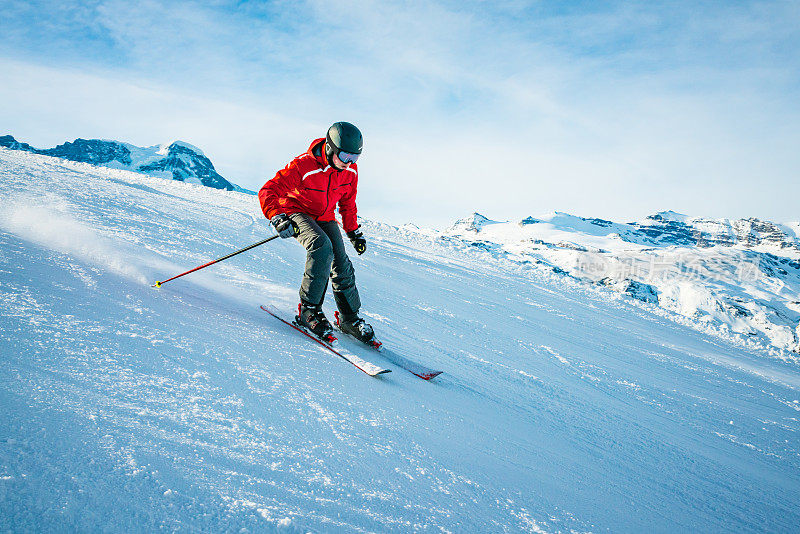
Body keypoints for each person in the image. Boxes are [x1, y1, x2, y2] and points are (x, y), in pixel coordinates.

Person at [258, 121, 374, 343]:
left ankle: (349, 318)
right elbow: (268, 190)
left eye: (355, 158)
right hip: (296, 210)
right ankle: (309, 310)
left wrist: (354, 232)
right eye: (345, 156)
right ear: (330, 147)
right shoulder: (304, 165)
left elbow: (348, 204)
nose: (349, 163)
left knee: (341, 261)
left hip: (325, 216)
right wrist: (277, 216)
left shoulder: (350, 172)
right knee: (321, 247)